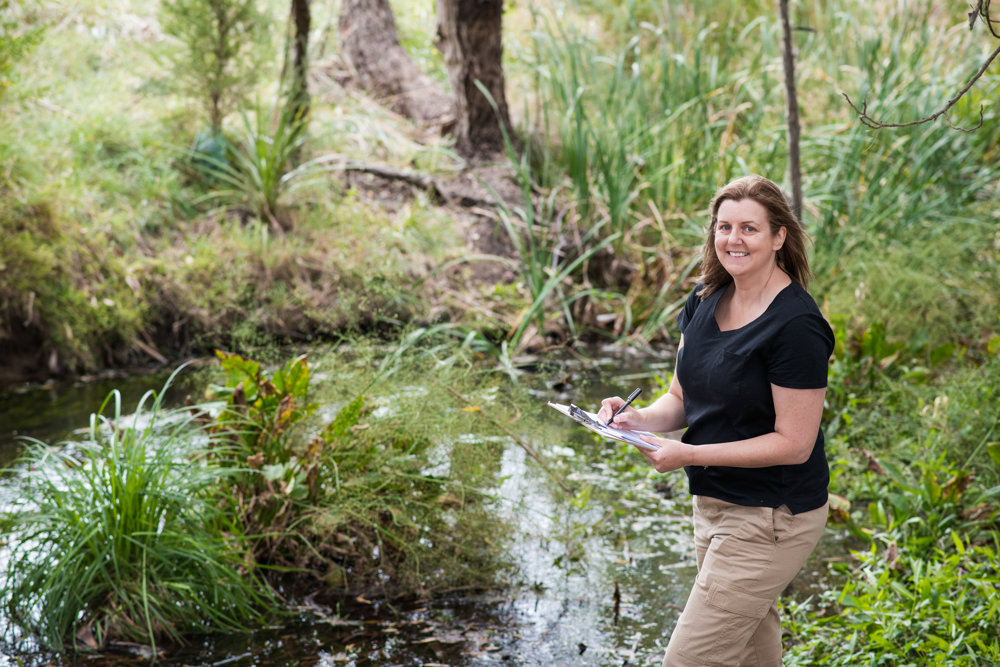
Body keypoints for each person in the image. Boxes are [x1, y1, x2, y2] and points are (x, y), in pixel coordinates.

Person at [597, 175, 835, 667]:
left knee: (689, 660)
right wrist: (634, 417)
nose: (733, 239)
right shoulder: (705, 299)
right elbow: (680, 399)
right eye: (724, 227)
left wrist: (687, 454)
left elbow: (794, 443)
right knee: (751, 652)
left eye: (750, 228)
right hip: (713, 505)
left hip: (772, 516)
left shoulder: (796, 327)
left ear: (779, 237)